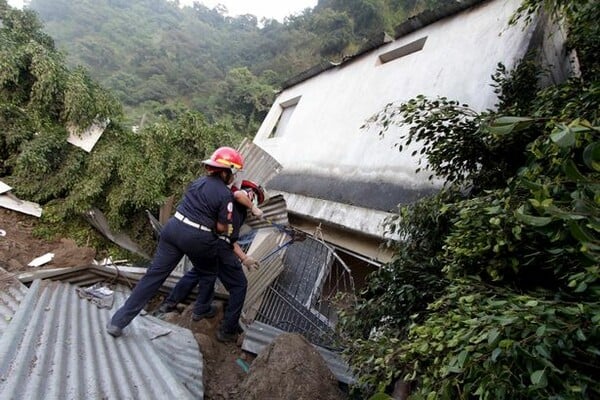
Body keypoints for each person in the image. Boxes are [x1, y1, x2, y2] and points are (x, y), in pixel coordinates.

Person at [106, 146, 245, 337]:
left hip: (173, 229)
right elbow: (222, 228)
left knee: (154, 276)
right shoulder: (225, 195)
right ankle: (202, 309)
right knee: (208, 272)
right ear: (227, 171)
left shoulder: (197, 183)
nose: (234, 178)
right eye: (234, 173)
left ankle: (118, 322)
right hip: (198, 238)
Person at [156, 179, 266, 343]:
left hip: (210, 243)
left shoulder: (238, 212)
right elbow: (238, 195)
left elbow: (228, 237)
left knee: (197, 272)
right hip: (218, 248)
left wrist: (244, 258)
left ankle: (169, 303)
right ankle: (227, 330)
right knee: (239, 285)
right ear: (251, 194)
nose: (253, 201)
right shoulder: (238, 197)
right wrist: (253, 206)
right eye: (254, 198)